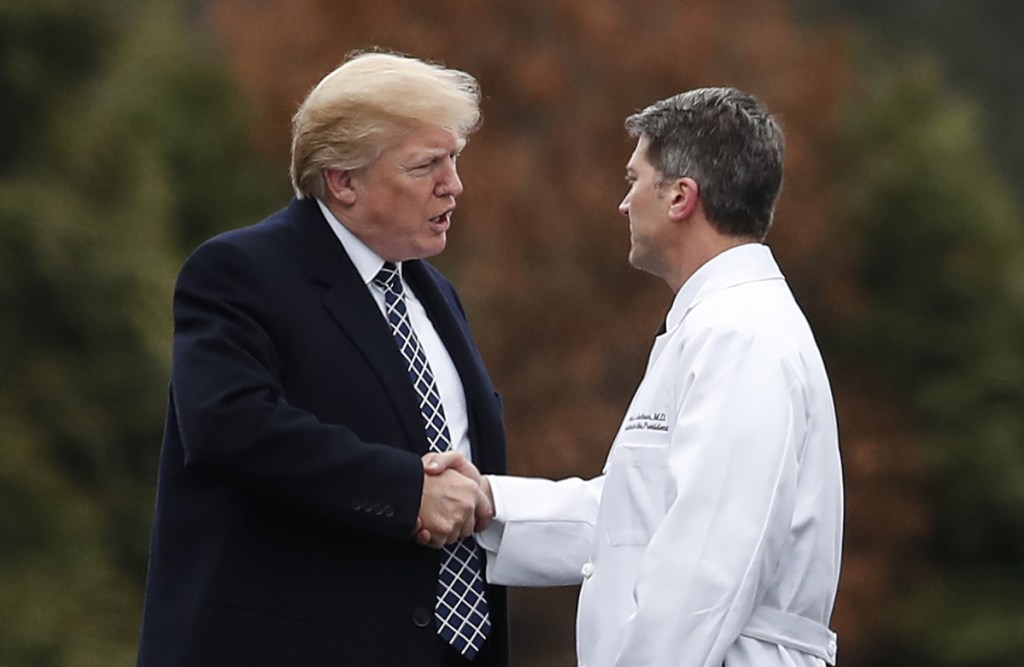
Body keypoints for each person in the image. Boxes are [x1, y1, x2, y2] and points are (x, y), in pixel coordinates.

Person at [427, 87, 844, 667]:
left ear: (680, 196)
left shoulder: (739, 335)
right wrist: (491, 501)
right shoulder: (720, 325)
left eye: (634, 179)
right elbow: (638, 518)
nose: (624, 203)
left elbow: (707, 568)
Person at [136, 51, 508, 667]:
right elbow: (229, 425)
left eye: (454, 159)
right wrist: (404, 489)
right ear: (343, 181)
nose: (454, 185)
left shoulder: (434, 292)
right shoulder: (240, 272)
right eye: (426, 165)